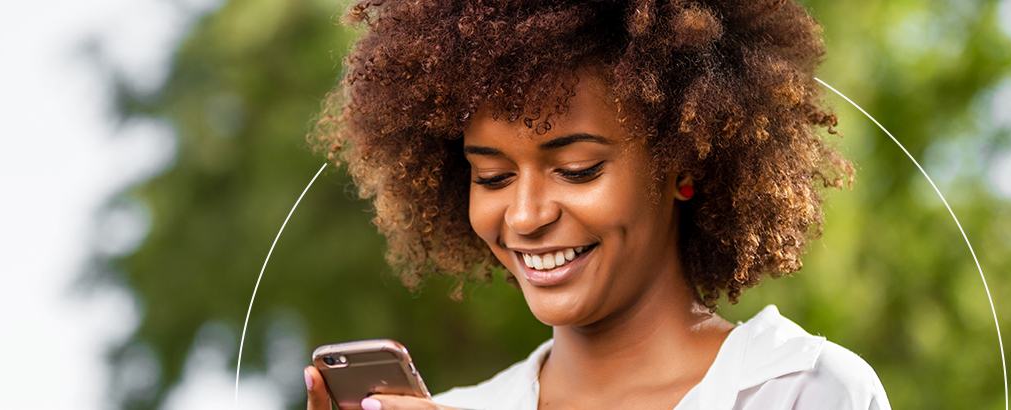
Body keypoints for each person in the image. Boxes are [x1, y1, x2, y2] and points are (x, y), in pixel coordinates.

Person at [301, 0, 889, 409]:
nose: (527, 216)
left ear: (683, 163)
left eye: (577, 170)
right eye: (493, 176)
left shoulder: (800, 391)